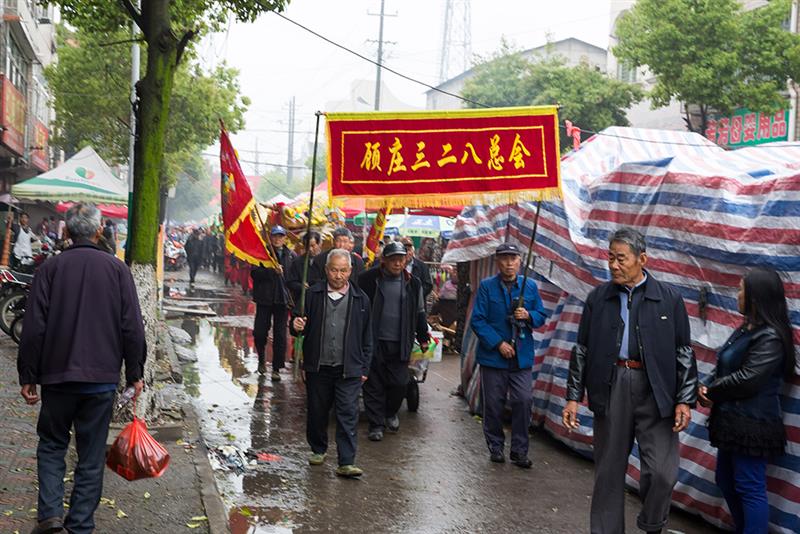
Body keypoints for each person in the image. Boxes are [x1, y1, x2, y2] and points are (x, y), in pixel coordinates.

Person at [17, 202, 146, 534]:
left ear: (68, 231)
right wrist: (135, 374)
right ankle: (80, 526)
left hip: (57, 378)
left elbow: (33, 328)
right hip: (101, 381)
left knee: (52, 445)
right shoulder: (117, 270)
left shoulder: (50, 269)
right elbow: (132, 327)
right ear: (99, 230)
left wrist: (28, 375)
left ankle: (50, 516)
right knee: (90, 456)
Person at [563, 227, 697, 534]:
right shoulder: (599, 298)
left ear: (642, 259)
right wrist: (573, 396)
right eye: (610, 257)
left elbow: (684, 352)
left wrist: (684, 400)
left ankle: (652, 524)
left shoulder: (669, 300)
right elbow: (581, 349)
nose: (613, 265)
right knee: (608, 473)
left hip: (657, 390)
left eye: (620, 259)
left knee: (662, 472)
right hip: (612, 387)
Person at [698, 268, 795, 534]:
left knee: (749, 487)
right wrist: (706, 387)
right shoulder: (745, 329)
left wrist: (712, 392)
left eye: (741, 290)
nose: (737, 295)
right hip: (732, 421)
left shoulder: (771, 336)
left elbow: (748, 378)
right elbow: (725, 364)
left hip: (753, 425)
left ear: (756, 297)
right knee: (726, 481)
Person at [290, 249, 372, 478]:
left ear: (350, 271)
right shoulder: (312, 295)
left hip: (349, 368)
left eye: (343, 271)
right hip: (318, 365)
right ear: (326, 270)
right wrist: (295, 325)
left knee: (348, 413)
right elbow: (296, 325)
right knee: (318, 411)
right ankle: (318, 449)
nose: (338, 275)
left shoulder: (361, 299)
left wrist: (364, 367)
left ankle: (346, 461)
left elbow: (368, 337)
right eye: (334, 270)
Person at [470, 243, 547, 468]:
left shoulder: (530, 287)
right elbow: (478, 320)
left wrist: (529, 315)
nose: (509, 263)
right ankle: (495, 446)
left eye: (513, 258)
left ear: (520, 261)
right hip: (494, 357)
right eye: (504, 258)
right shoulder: (487, 287)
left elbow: (541, 315)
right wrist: (498, 343)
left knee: (523, 400)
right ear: (497, 261)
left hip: (521, 356)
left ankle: (519, 451)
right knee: (493, 404)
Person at [358, 241, 430, 441]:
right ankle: (376, 425)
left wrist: (423, 336)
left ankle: (390, 412)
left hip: (400, 341)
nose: (398, 264)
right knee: (373, 384)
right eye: (393, 260)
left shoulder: (413, 283)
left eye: (401, 259)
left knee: (399, 383)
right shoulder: (368, 279)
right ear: (384, 260)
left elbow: (420, 312)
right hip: (373, 341)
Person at [251, 225, 296, 380]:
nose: (277, 239)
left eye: (280, 236)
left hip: (282, 301)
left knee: (280, 336)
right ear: (270, 237)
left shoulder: (291, 256)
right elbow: (254, 273)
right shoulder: (261, 254)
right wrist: (271, 270)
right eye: (275, 236)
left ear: (285, 238)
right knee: (259, 332)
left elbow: (294, 278)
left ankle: (276, 368)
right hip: (264, 299)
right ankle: (262, 358)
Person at [287, 231, 322, 304]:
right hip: (302, 301)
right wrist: (301, 286)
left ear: (319, 244)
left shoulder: (326, 260)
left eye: (313, 245)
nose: (310, 249)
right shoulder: (297, 262)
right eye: (307, 246)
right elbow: (291, 282)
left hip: (320, 301)